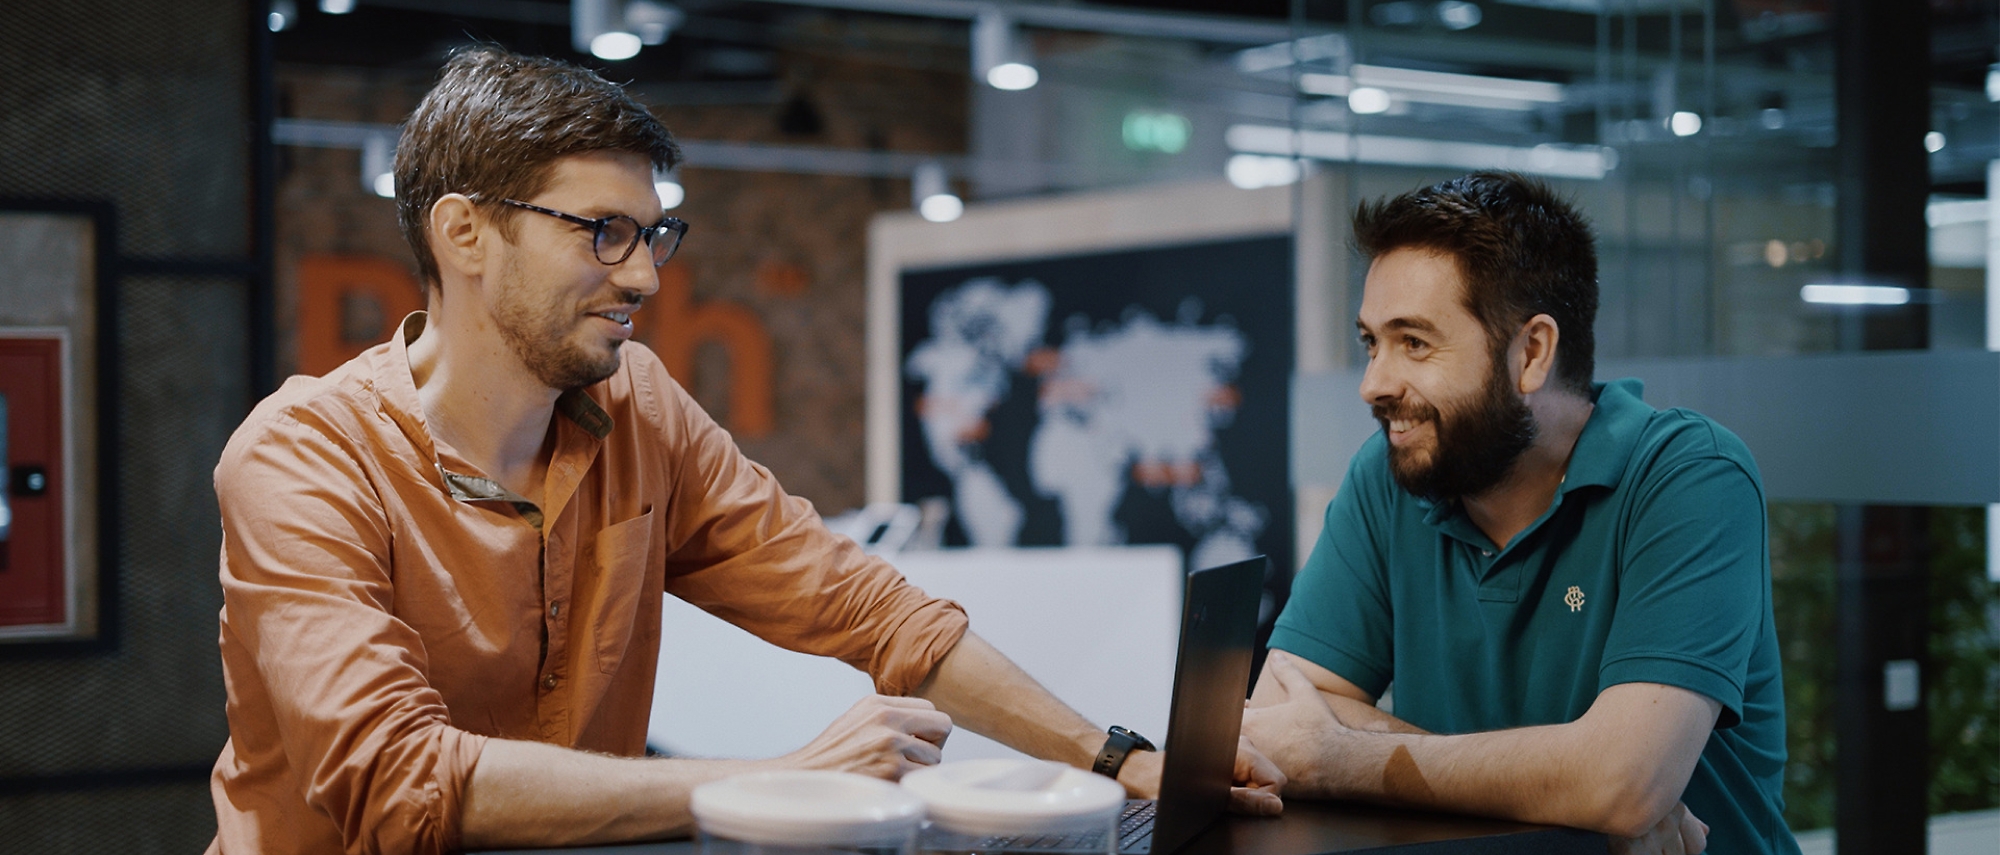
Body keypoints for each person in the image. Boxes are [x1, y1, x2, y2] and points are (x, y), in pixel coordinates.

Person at [207, 47, 1280, 855]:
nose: (642, 278)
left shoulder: (642, 411)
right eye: (601, 232)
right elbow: (398, 785)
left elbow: (872, 612)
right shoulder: (301, 459)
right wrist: (771, 781)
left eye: (652, 234)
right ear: (464, 234)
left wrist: (1114, 756)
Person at [1241, 172, 1798, 855]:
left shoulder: (1689, 476)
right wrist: (1571, 792)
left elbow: (1623, 781)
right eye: (1371, 342)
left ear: (1531, 352)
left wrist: (1340, 756)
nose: (1374, 384)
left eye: (1413, 342)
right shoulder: (1392, 475)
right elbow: (1276, 718)